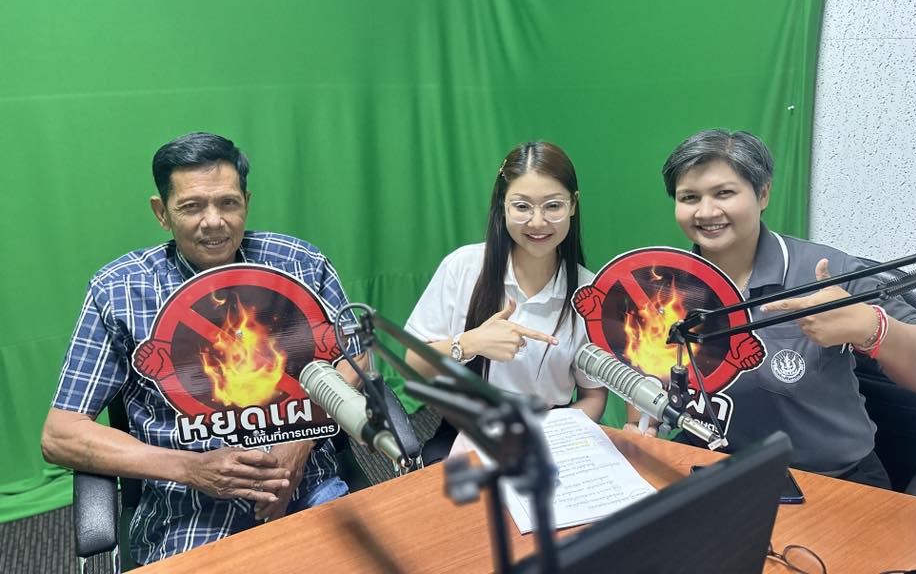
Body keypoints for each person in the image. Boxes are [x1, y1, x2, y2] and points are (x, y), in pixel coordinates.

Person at [41, 132, 360, 565]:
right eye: (192, 207)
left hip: (306, 484)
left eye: (228, 203)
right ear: (162, 213)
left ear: (246, 202)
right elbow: (61, 435)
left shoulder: (299, 263)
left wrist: (301, 439)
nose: (214, 222)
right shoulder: (119, 290)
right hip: (190, 510)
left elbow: (356, 358)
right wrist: (190, 468)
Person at [652, 128, 916, 486]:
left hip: (829, 479)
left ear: (762, 193)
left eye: (724, 193)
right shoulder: (666, 283)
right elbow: (646, 366)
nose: (706, 212)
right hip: (707, 468)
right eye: (689, 197)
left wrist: (871, 328)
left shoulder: (828, 271)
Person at [404, 142, 607, 460]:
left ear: (573, 205)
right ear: (503, 205)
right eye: (522, 206)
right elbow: (413, 367)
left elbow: (593, 395)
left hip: (551, 433)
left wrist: (554, 435)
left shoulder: (589, 293)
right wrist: (469, 343)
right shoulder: (463, 267)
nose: (537, 222)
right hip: (467, 430)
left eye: (553, 206)